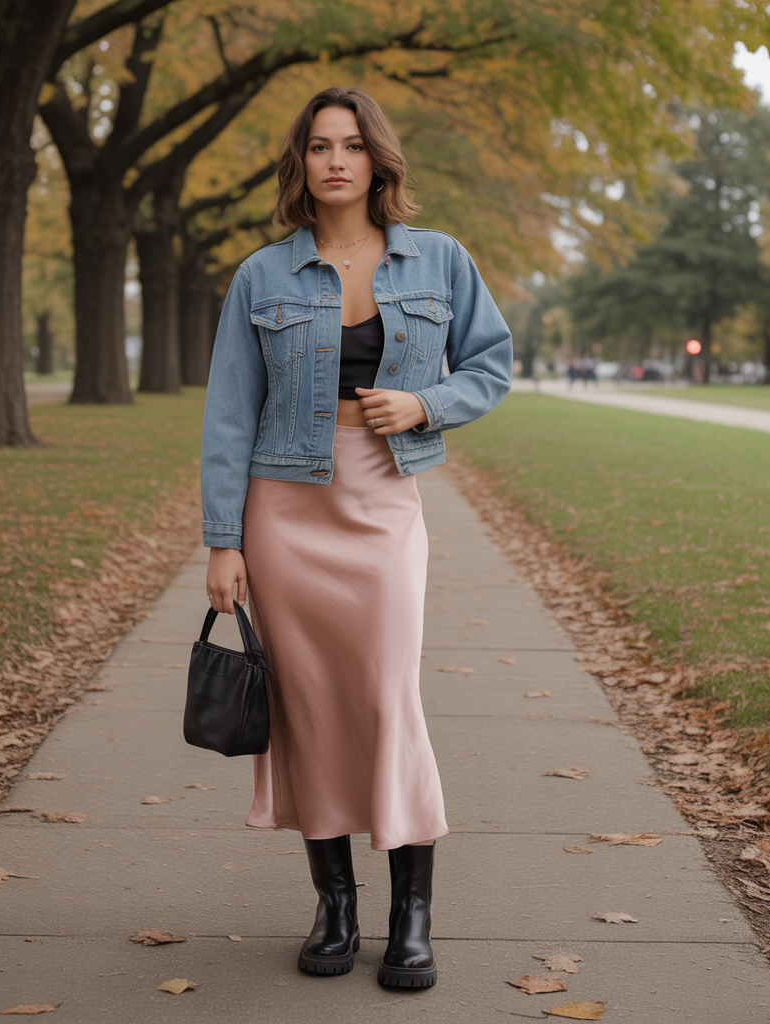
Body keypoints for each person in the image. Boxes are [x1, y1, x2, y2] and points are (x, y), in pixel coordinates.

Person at [199, 86, 512, 989]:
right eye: (318, 146)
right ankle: (336, 908)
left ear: (378, 160)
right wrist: (226, 541)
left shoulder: (439, 260)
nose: (335, 160)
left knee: (385, 694)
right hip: (284, 507)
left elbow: (492, 362)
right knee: (308, 706)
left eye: (352, 145)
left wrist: (426, 403)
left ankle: (411, 914)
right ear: (300, 164)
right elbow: (229, 413)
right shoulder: (263, 275)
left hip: (381, 499)